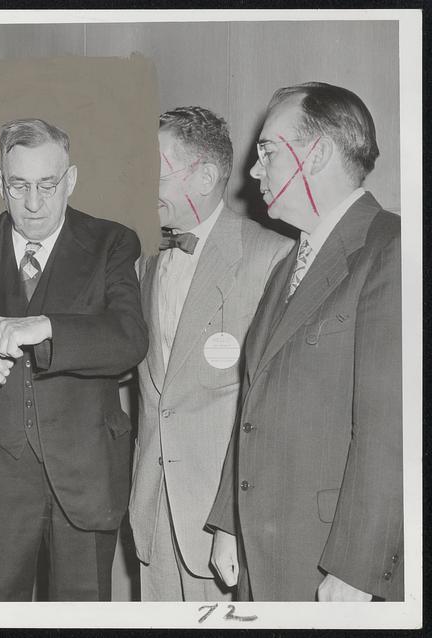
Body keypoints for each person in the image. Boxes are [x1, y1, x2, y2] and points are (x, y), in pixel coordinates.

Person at [0, 118, 148, 601]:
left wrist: (46, 326)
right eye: (19, 185)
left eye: (48, 185)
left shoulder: (112, 242)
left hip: (85, 477)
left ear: (71, 180)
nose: (33, 203)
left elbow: (129, 338)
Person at [207, 82, 403, 601]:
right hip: (265, 548)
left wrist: (357, 569)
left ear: (316, 156)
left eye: (268, 151)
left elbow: (393, 430)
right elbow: (256, 401)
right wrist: (230, 520)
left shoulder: (392, 249)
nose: (253, 170)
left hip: (327, 559)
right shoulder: (290, 264)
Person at [128, 107, 291, 601]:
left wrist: (234, 522)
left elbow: (276, 411)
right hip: (152, 512)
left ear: (203, 177)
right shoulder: (144, 259)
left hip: (224, 525)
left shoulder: (272, 257)